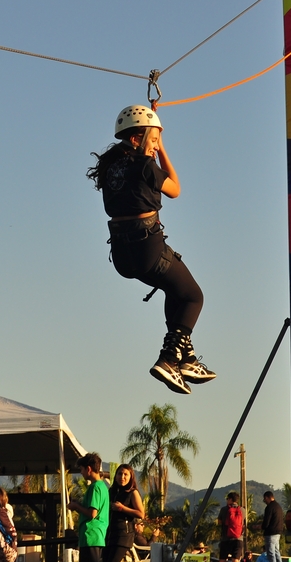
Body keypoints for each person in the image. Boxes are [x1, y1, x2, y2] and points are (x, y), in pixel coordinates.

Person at [87, 105, 216, 394]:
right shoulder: (143, 165)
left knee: (176, 291)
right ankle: (170, 359)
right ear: (137, 139)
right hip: (148, 248)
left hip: (123, 255)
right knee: (194, 297)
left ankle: (186, 358)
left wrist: (154, 138)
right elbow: (175, 188)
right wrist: (161, 150)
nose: (156, 144)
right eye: (153, 139)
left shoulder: (111, 167)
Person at [68, 452, 110, 562]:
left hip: (91, 534)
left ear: (89, 469)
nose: (81, 472)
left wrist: (76, 506)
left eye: (82, 469)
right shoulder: (103, 487)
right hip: (95, 535)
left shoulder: (95, 487)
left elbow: (92, 513)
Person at [103, 465, 143, 562]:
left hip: (124, 534)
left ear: (131, 476)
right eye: (120, 474)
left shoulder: (132, 493)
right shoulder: (111, 491)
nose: (122, 477)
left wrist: (123, 508)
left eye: (126, 474)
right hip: (110, 534)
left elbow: (141, 513)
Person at [216, 492, 245, 562]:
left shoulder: (224, 509)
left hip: (226, 538)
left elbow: (220, 522)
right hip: (238, 538)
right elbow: (244, 523)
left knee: (222, 558)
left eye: (227, 499)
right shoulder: (243, 510)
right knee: (235, 559)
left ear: (230, 500)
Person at [261, 491, 284, 562]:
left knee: (271, 554)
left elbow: (266, 522)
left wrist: (262, 527)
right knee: (277, 553)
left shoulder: (269, 507)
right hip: (278, 532)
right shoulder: (278, 507)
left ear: (267, 497)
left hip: (270, 533)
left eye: (264, 499)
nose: (264, 501)